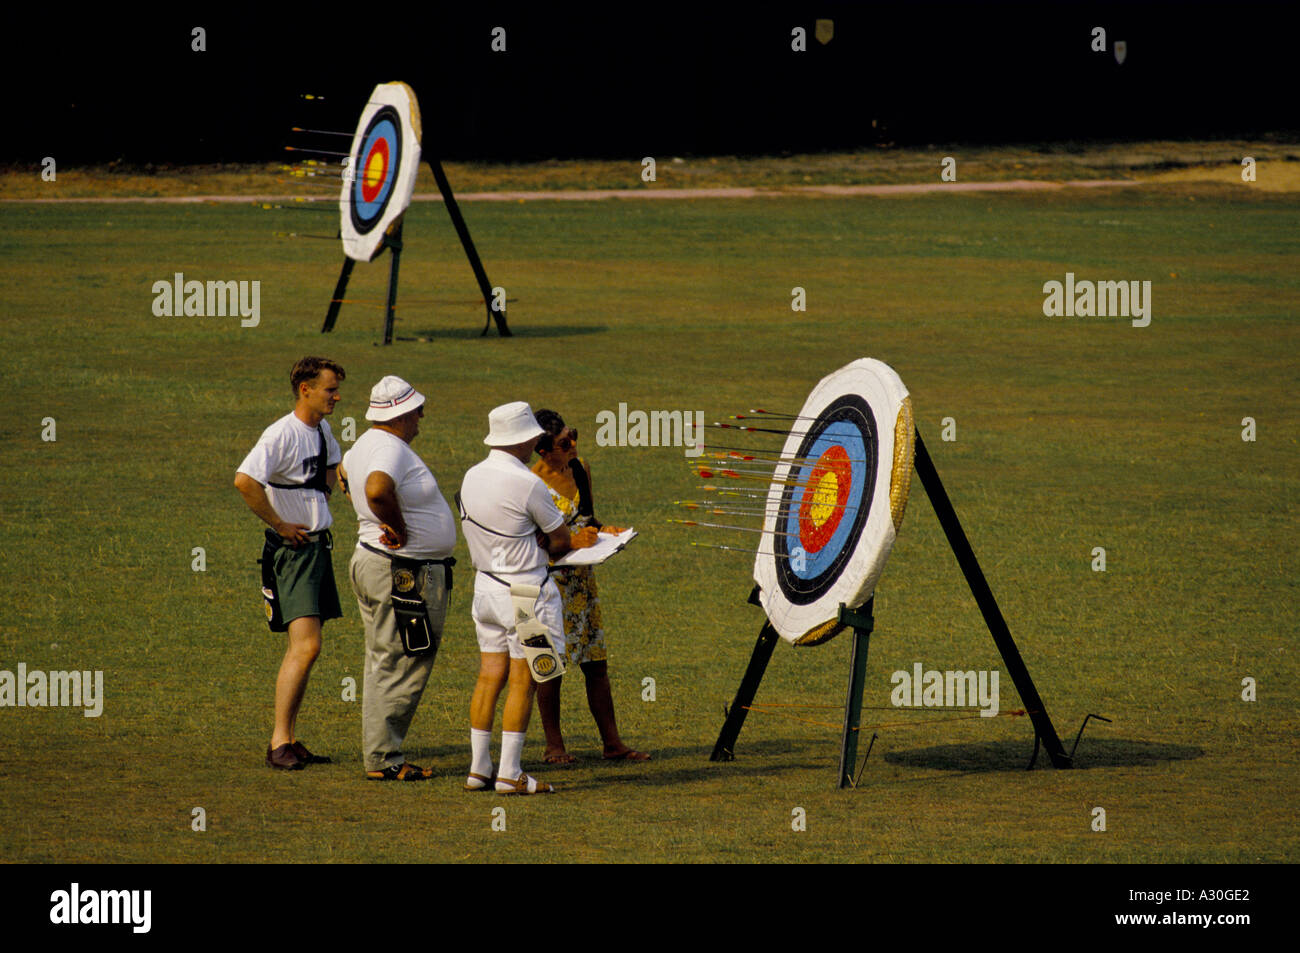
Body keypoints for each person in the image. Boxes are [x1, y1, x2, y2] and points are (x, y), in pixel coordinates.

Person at [458, 402, 599, 795]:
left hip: (484, 589)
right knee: (525, 680)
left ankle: (478, 768)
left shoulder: (471, 475)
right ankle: (509, 772)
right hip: (524, 594)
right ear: (525, 439)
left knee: (489, 677)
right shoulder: (528, 483)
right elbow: (558, 541)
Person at [338, 376, 456, 781]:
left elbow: (343, 476)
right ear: (401, 414)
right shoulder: (390, 448)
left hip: (374, 562)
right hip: (404, 573)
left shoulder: (364, 445)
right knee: (406, 658)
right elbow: (375, 489)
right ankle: (384, 758)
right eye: (417, 410)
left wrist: (377, 522)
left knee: (383, 659)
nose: (422, 416)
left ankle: (380, 751)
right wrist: (397, 526)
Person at [234, 356, 345, 770]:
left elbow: (333, 466)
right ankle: (279, 740)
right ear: (306, 390)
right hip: (295, 552)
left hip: (316, 548)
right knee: (307, 646)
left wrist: (321, 501)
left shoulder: (322, 430)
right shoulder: (280, 434)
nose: (336, 396)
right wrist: (280, 523)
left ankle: (290, 737)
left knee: (309, 649)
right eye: (330, 389)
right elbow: (244, 481)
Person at [531, 409, 649, 764]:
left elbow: (587, 519)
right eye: (564, 443)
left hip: (583, 584)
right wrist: (570, 542)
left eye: (574, 436)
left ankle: (612, 743)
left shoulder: (580, 468)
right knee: (550, 665)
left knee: (596, 663)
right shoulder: (532, 484)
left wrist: (605, 530)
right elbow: (535, 541)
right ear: (542, 451)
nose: (573, 446)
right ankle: (555, 747)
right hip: (550, 585)